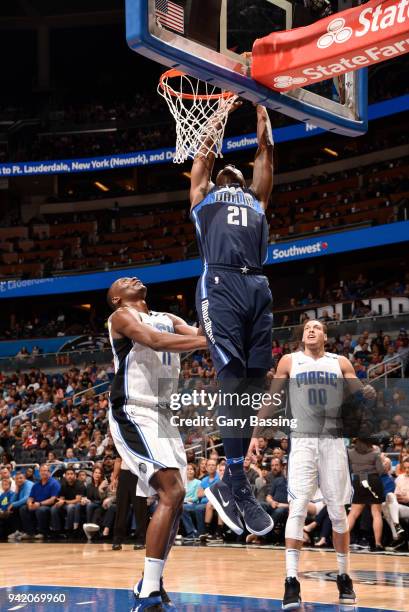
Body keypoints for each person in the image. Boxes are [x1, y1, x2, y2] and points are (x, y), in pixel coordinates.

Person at [190, 104, 274, 537]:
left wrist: (262, 121)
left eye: (236, 172)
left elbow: (265, 157)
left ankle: (232, 479)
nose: (231, 172)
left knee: (254, 381)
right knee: (233, 377)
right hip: (220, 282)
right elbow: (202, 160)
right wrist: (218, 114)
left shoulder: (257, 200)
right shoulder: (204, 199)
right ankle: (236, 480)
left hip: (257, 285)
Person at [251, 320, 376, 608]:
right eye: (307, 327)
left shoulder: (340, 361)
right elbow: (272, 399)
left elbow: (360, 393)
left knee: (337, 512)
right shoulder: (289, 361)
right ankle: (291, 580)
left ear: (325, 336)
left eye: (317, 327)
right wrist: (256, 435)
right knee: (296, 507)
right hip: (303, 440)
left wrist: (365, 393)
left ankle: (344, 575)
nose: (311, 330)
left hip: (333, 440)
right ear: (303, 335)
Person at [106, 276, 208, 611]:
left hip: (164, 415)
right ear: (116, 298)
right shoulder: (121, 317)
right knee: (172, 491)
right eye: (122, 281)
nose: (131, 278)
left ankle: (151, 581)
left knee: (176, 499)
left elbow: (198, 334)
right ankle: (148, 589)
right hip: (134, 410)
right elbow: (155, 341)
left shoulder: (168, 317)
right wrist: (208, 341)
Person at [111, 457, 148, 551]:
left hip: (139, 474)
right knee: (121, 509)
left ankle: (141, 540)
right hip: (124, 474)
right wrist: (114, 478)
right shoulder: (122, 442)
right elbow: (118, 460)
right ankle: (117, 540)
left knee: (140, 510)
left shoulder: (142, 442)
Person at [20, 464, 61, 540]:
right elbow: (31, 497)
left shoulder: (54, 483)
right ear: (39, 473)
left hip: (49, 505)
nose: (43, 472)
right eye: (41, 471)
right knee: (23, 509)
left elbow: (53, 499)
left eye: (45, 471)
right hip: (36, 504)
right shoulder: (36, 485)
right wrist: (29, 503)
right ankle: (30, 533)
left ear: (49, 472)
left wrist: (40, 504)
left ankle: (43, 532)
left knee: (41, 510)